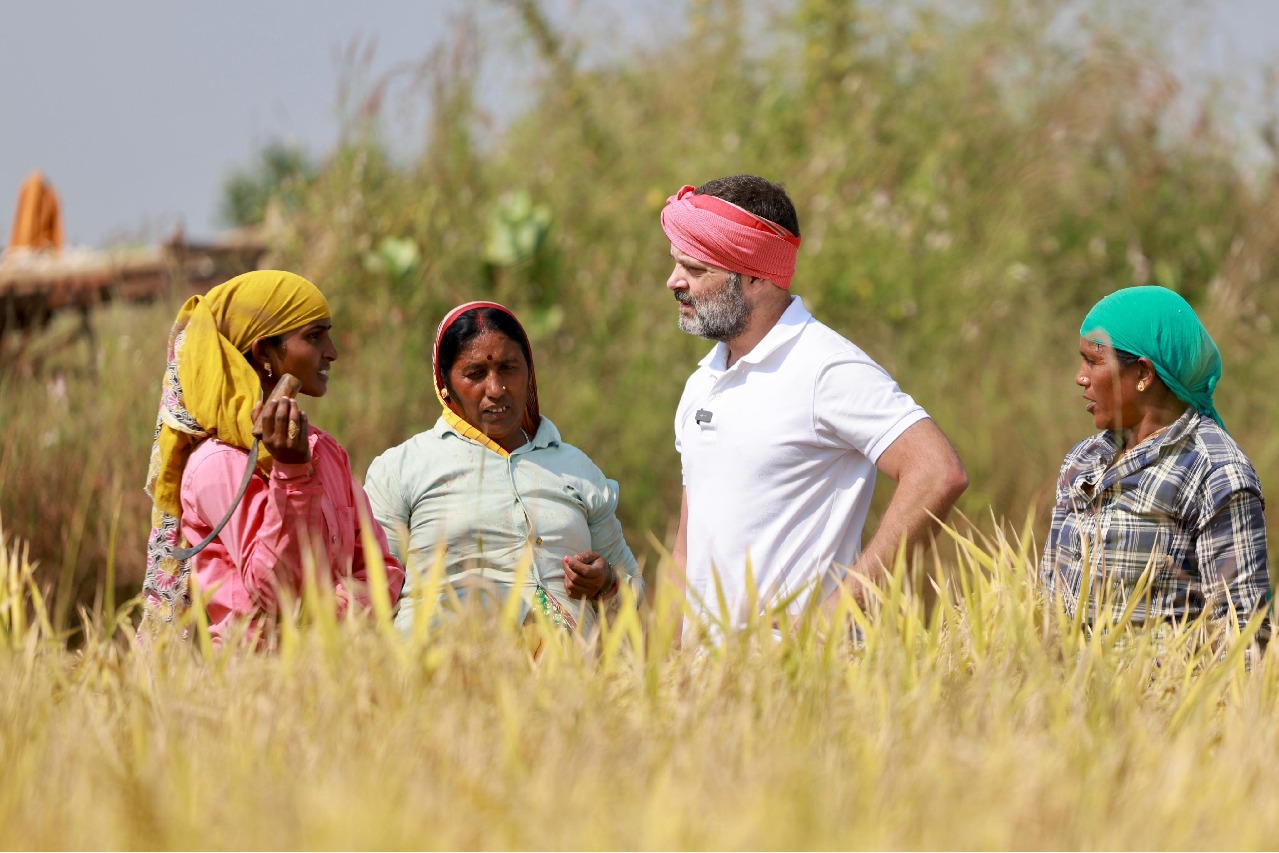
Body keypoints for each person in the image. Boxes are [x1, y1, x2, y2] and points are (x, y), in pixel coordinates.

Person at [660, 175, 968, 632]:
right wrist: (665, 672)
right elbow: (687, 549)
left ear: (755, 276)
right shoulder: (701, 381)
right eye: (675, 263)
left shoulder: (826, 368)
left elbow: (937, 471)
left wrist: (837, 616)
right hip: (705, 692)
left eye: (696, 269)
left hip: (799, 687)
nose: (673, 282)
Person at [140, 270, 404, 646]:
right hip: (256, 691)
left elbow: (384, 572)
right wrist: (293, 476)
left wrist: (325, 621)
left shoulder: (324, 451)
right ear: (265, 352)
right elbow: (276, 593)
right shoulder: (218, 465)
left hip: (336, 678)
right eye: (314, 336)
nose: (332, 351)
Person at [364, 301, 643, 636]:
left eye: (509, 368)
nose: (496, 390)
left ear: (530, 373)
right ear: (444, 384)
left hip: (563, 677)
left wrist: (606, 581)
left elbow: (631, 593)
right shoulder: (402, 468)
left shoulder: (576, 469)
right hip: (443, 668)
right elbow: (372, 592)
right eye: (475, 374)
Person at [1039, 286, 1269, 635]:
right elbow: (1047, 598)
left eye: (1094, 361)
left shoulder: (1215, 473)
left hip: (1155, 689)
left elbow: (1243, 635)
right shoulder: (1084, 459)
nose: (1080, 377)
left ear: (1144, 374)